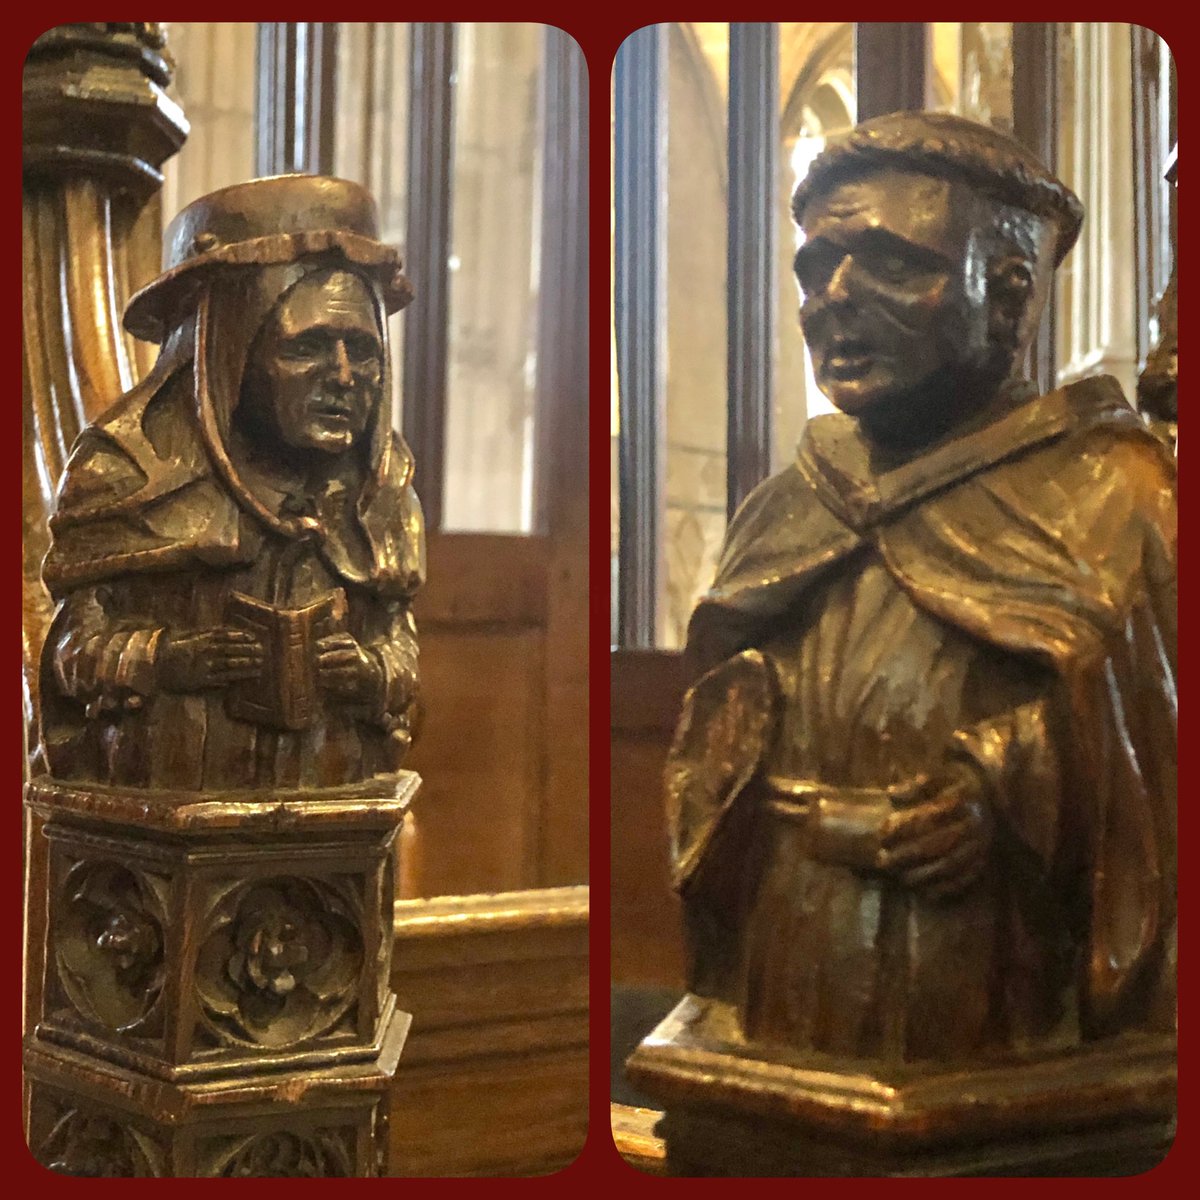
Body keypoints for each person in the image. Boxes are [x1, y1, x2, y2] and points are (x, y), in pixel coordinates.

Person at [667, 113, 1176, 1064]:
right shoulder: (785, 508)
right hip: (791, 972)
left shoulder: (1118, 493)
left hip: (1004, 1014)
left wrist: (1004, 782)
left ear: (1011, 290)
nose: (835, 300)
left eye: (893, 265)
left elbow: (1158, 754)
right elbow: (716, 734)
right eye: (815, 271)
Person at [38, 175, 424, 790]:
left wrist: (372, 673)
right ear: (230, 346)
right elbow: (68, 655)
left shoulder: (380, 488)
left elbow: (400, 645)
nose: (345, 375)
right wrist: (166, 659)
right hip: (164, 815)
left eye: (364, 348)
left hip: (335, 811)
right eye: (310, 346)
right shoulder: (128, 470)